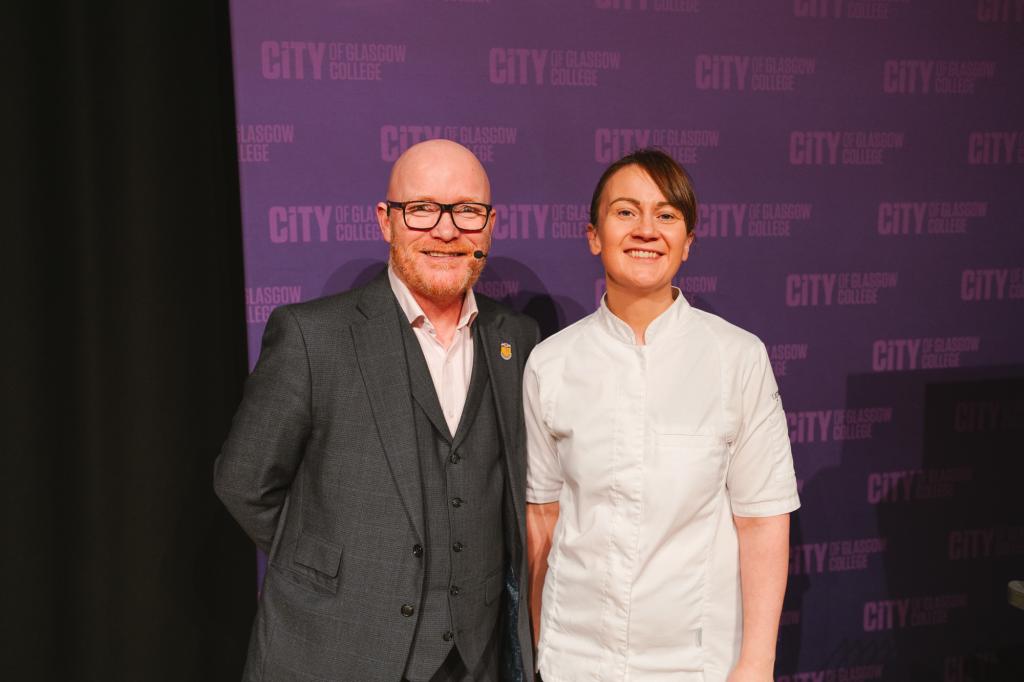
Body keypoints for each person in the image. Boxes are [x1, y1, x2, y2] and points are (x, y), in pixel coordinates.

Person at [215, 139, 539, 682]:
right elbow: (244, 482)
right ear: (386, 221)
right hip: (337, 650)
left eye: (467, 211)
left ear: (489, 225)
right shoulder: (313, 336)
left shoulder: (518, 340)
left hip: (478, 660)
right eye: (422, 210)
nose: (446, 229)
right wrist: (339, 571)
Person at [524, 149, 800, 682]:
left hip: (696, 662)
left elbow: (763, 519)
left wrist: (757, 663)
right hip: (574, 658)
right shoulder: (550, 363)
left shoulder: (736, 358)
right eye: (625, 212)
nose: (646, 229)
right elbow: (543, 516)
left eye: (667, 215)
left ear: (688, 242)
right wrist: (543, 645)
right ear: (593, 235)